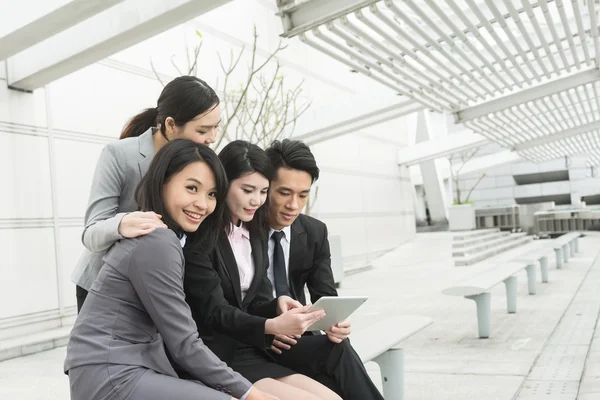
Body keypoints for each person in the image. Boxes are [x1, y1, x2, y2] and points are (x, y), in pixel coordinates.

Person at [64, 139, 272, 400]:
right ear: (162, 182)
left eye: (211, 194)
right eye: (191, 188)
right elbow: (184, 343)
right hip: (111, 373)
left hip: (122, 366)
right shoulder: (157, 241)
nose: (202, 204)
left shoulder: (166, 238)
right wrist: (252, 393)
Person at [183, 140, 341, 400]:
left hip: (248, 349)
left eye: (263, 191)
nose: (256, 201)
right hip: (214, 354)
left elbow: (252, 301)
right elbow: (215, 312)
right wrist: (271, 325)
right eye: (247, 190)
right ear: (223, 184)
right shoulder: (201, 237)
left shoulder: (253, 232)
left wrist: (277, 305)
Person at [71, 76, 222, 311]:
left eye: (216, 127)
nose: (212, 138)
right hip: (104, 288)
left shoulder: (201, 161)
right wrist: (124, 223)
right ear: (171, 125)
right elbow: (91, 233)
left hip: (159, 286)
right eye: (203, 130)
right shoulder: (120, 155)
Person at [264, 139, 385, 400]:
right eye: (284, 193)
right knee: (337, 361)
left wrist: (336, 324)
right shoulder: (241, 232)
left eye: (303, 195)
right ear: (265, 187)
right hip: (259, 338)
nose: (294, 205)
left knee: (337, 352)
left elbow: (325, 295)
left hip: (301, 338)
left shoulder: (314, 232)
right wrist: (266, 327)